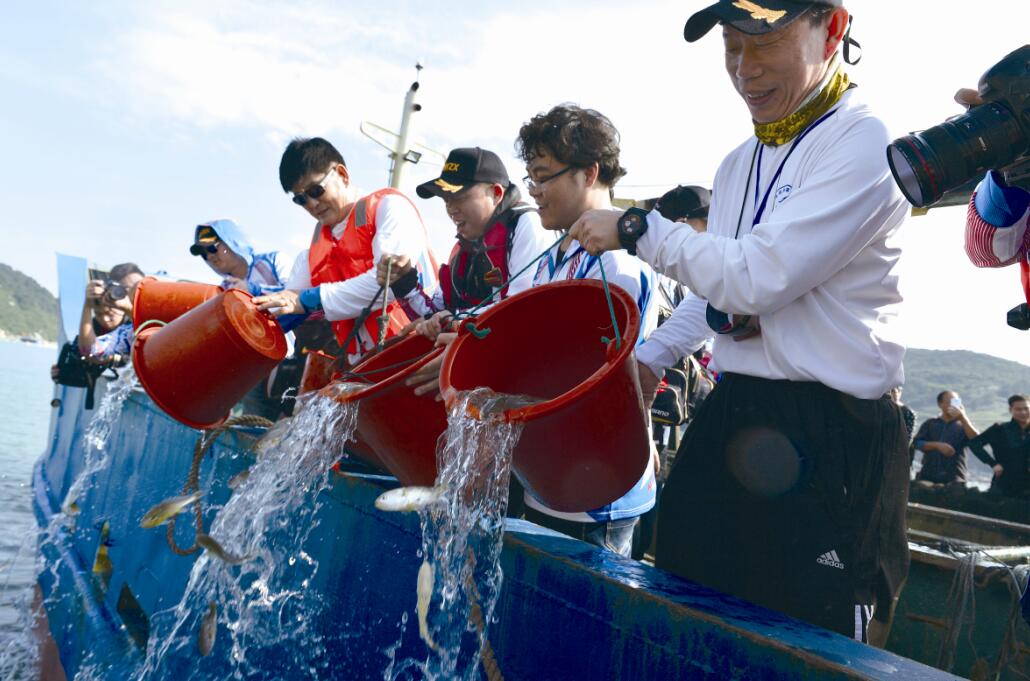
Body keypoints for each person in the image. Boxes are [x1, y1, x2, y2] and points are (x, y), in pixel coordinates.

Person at [569, 0, 909, 641]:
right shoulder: (735, 164)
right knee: (682, 610)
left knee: (810, 642)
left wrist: (638, 227)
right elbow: (716, 289)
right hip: (738, 412)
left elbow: (757, 275)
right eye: (732, 46)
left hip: (835, 430)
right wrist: (652, 357)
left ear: (831, 28)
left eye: (766, 43)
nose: (745, 70)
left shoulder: (865, 140)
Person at [510, 103, 660, 557]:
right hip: (552, 476)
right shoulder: (559, 253)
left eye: (543, 175)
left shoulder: (619, 261)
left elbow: (592, 373)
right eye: (530, 178)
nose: (534, 191)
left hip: (600, 493)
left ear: (589, 173)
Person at [253, 137, 438, 365]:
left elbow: (389, 283)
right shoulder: (310, 255)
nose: (311, 204)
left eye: (316, 190)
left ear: (342, 174)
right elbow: (288, 303)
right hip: (364, 368)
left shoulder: (389, 208)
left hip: (421, 353)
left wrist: (311, 298)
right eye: (300, 199)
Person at [376, 147, 552, 325]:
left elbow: (521, 304)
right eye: (446, 200)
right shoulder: (460, 250)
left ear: (496, 193)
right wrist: (404, 283)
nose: (451, 209)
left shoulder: (527, 224)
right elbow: (435, 315)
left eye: (459, 197)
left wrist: (453, 319)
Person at [189, 219, 289, 296]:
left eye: (212, 248)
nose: (209, 256)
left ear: (233, 242)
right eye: (203, 253)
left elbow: (296, 294)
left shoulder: (273, 260)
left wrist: (253, 290)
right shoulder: (223, 291)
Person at [76, 262, 145, 364]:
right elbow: (90, 352)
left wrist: (129, 309)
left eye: (141, 286)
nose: (138, 292)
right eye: (128, 289)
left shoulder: (166, 311)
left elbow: (155, 328)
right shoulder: (126, 332)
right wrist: (87, 305)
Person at [968, 394, 1030, 498]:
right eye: (1018, 409)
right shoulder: (999, 429)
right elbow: (974, 444)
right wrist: (993, 463)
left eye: (1026, 409)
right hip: (1005, 481)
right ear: (1011, 410)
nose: (1023, 412)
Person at [912, 391, 979, 485]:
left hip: (955, 479)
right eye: (949, 402)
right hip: (928, 476)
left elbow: (977, 440)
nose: (953, 405)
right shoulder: (930, 423)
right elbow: (916, 444)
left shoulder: (964, 426)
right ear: (940, 404)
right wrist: (937, 446)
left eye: (956, 402)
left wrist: (963, 417)